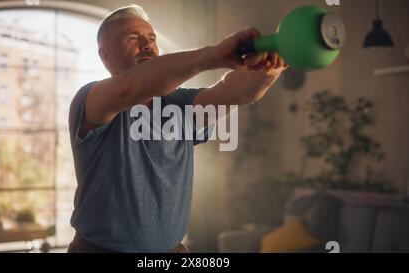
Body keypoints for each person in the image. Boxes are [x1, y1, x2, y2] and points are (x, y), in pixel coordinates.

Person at [67, 4, 287, 253]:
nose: (147, 44)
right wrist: (212, 55)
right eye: (132, 38)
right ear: (104, 55)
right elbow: (130, 87)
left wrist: (270, 67)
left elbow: (233, 93)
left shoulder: (177, 104)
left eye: (152, 38)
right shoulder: (91, 99)